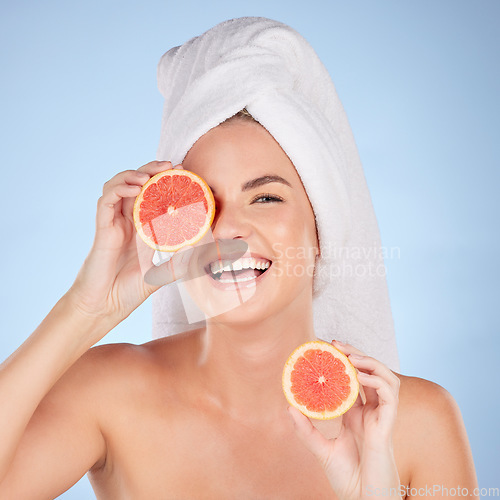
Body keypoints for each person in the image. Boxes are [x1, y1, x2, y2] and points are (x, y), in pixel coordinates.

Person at [0, 18, 478, 499]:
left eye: (266, 198)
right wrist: (86, 310)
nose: (227, 229)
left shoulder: (416, 423)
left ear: (320, 229)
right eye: (200, 203)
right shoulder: (105, 395)